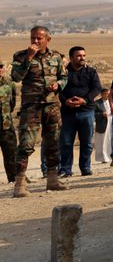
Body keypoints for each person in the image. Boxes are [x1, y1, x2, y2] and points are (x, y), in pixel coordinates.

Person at [10, 26, 68, 197]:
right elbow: (16, 77)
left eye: (39, 39)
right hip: (31, 106)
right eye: (33, 38)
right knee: (26, 144)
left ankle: (52, 179)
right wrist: (29, 57)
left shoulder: (56, 57)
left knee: (53, 142)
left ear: (47, 40)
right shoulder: (20, 56)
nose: (35, 41)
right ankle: (19, 183)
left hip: (52, 106)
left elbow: (64, 77)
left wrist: (59, 85)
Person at [56, 46, 101, 177]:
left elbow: (96, 88)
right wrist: (65, 101)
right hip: (68, 112)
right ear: (71, 58)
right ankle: (65, 169)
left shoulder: (91, 72)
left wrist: (85, 100)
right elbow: (59, 89)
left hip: (86, 111)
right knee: (66, 142)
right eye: (79, 56)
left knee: (86, 142)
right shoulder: (63, 73)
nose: (82, 58)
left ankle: (85, 167)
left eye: (84, 55)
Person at [1, 61, 17, 184]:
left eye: (1, 67)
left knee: (11, 152)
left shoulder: (9, 83)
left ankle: (13, 179)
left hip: (6, 125)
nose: (0, 69)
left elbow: (12, 103)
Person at [93, 88, 113, 165]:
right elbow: (93, 114)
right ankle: (104, 158)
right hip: (102, 125)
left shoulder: (112, 101)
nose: (107, 95)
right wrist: (101, 114)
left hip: (112, 123)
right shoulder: (96, 103)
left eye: (108, 93)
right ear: (101, 94)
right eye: (106, 93)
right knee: (102, 142)